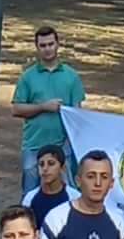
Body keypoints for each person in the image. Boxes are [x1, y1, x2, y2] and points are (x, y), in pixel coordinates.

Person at [10, 23, 84, 195]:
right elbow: (16, 109)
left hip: (63, 146)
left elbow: (77, 113)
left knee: (68, 194)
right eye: (43, 45)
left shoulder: (71, 76)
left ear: (57, 44)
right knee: (31, 193)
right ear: (37, 48)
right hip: (33, 145)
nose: (47, 49)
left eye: (50, 44)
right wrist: (43, 107)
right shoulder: (27, 77)